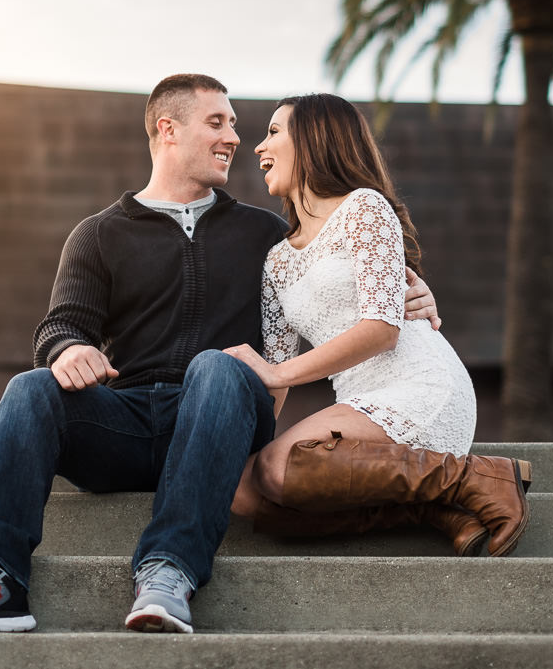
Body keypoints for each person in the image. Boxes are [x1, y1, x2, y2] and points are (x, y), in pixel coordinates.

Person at [0, 74, 442, 635]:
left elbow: (348, 269)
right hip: (127, 423)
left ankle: (169, 571)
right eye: (218, 122)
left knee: (216, 364)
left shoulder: (266, 236)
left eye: (234, 124)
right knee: (29, 387)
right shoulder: (96, 235)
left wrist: (417, 292)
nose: (235, 136)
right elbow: (62, 324)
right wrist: (66, 350)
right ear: (168, 129)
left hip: (221, 420)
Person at [224, 93, 532, 557]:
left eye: (273, 132)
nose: (257, 147)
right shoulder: (277, 260)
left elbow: (383, 328)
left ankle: (481, 477)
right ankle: (434, 508)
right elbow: (277, 369)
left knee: (278, 467)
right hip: (360, 411)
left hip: (420, 385)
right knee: (243, 490)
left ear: (313, 139)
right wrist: (255, 434)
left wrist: (278, 376)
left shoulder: (364, 208)